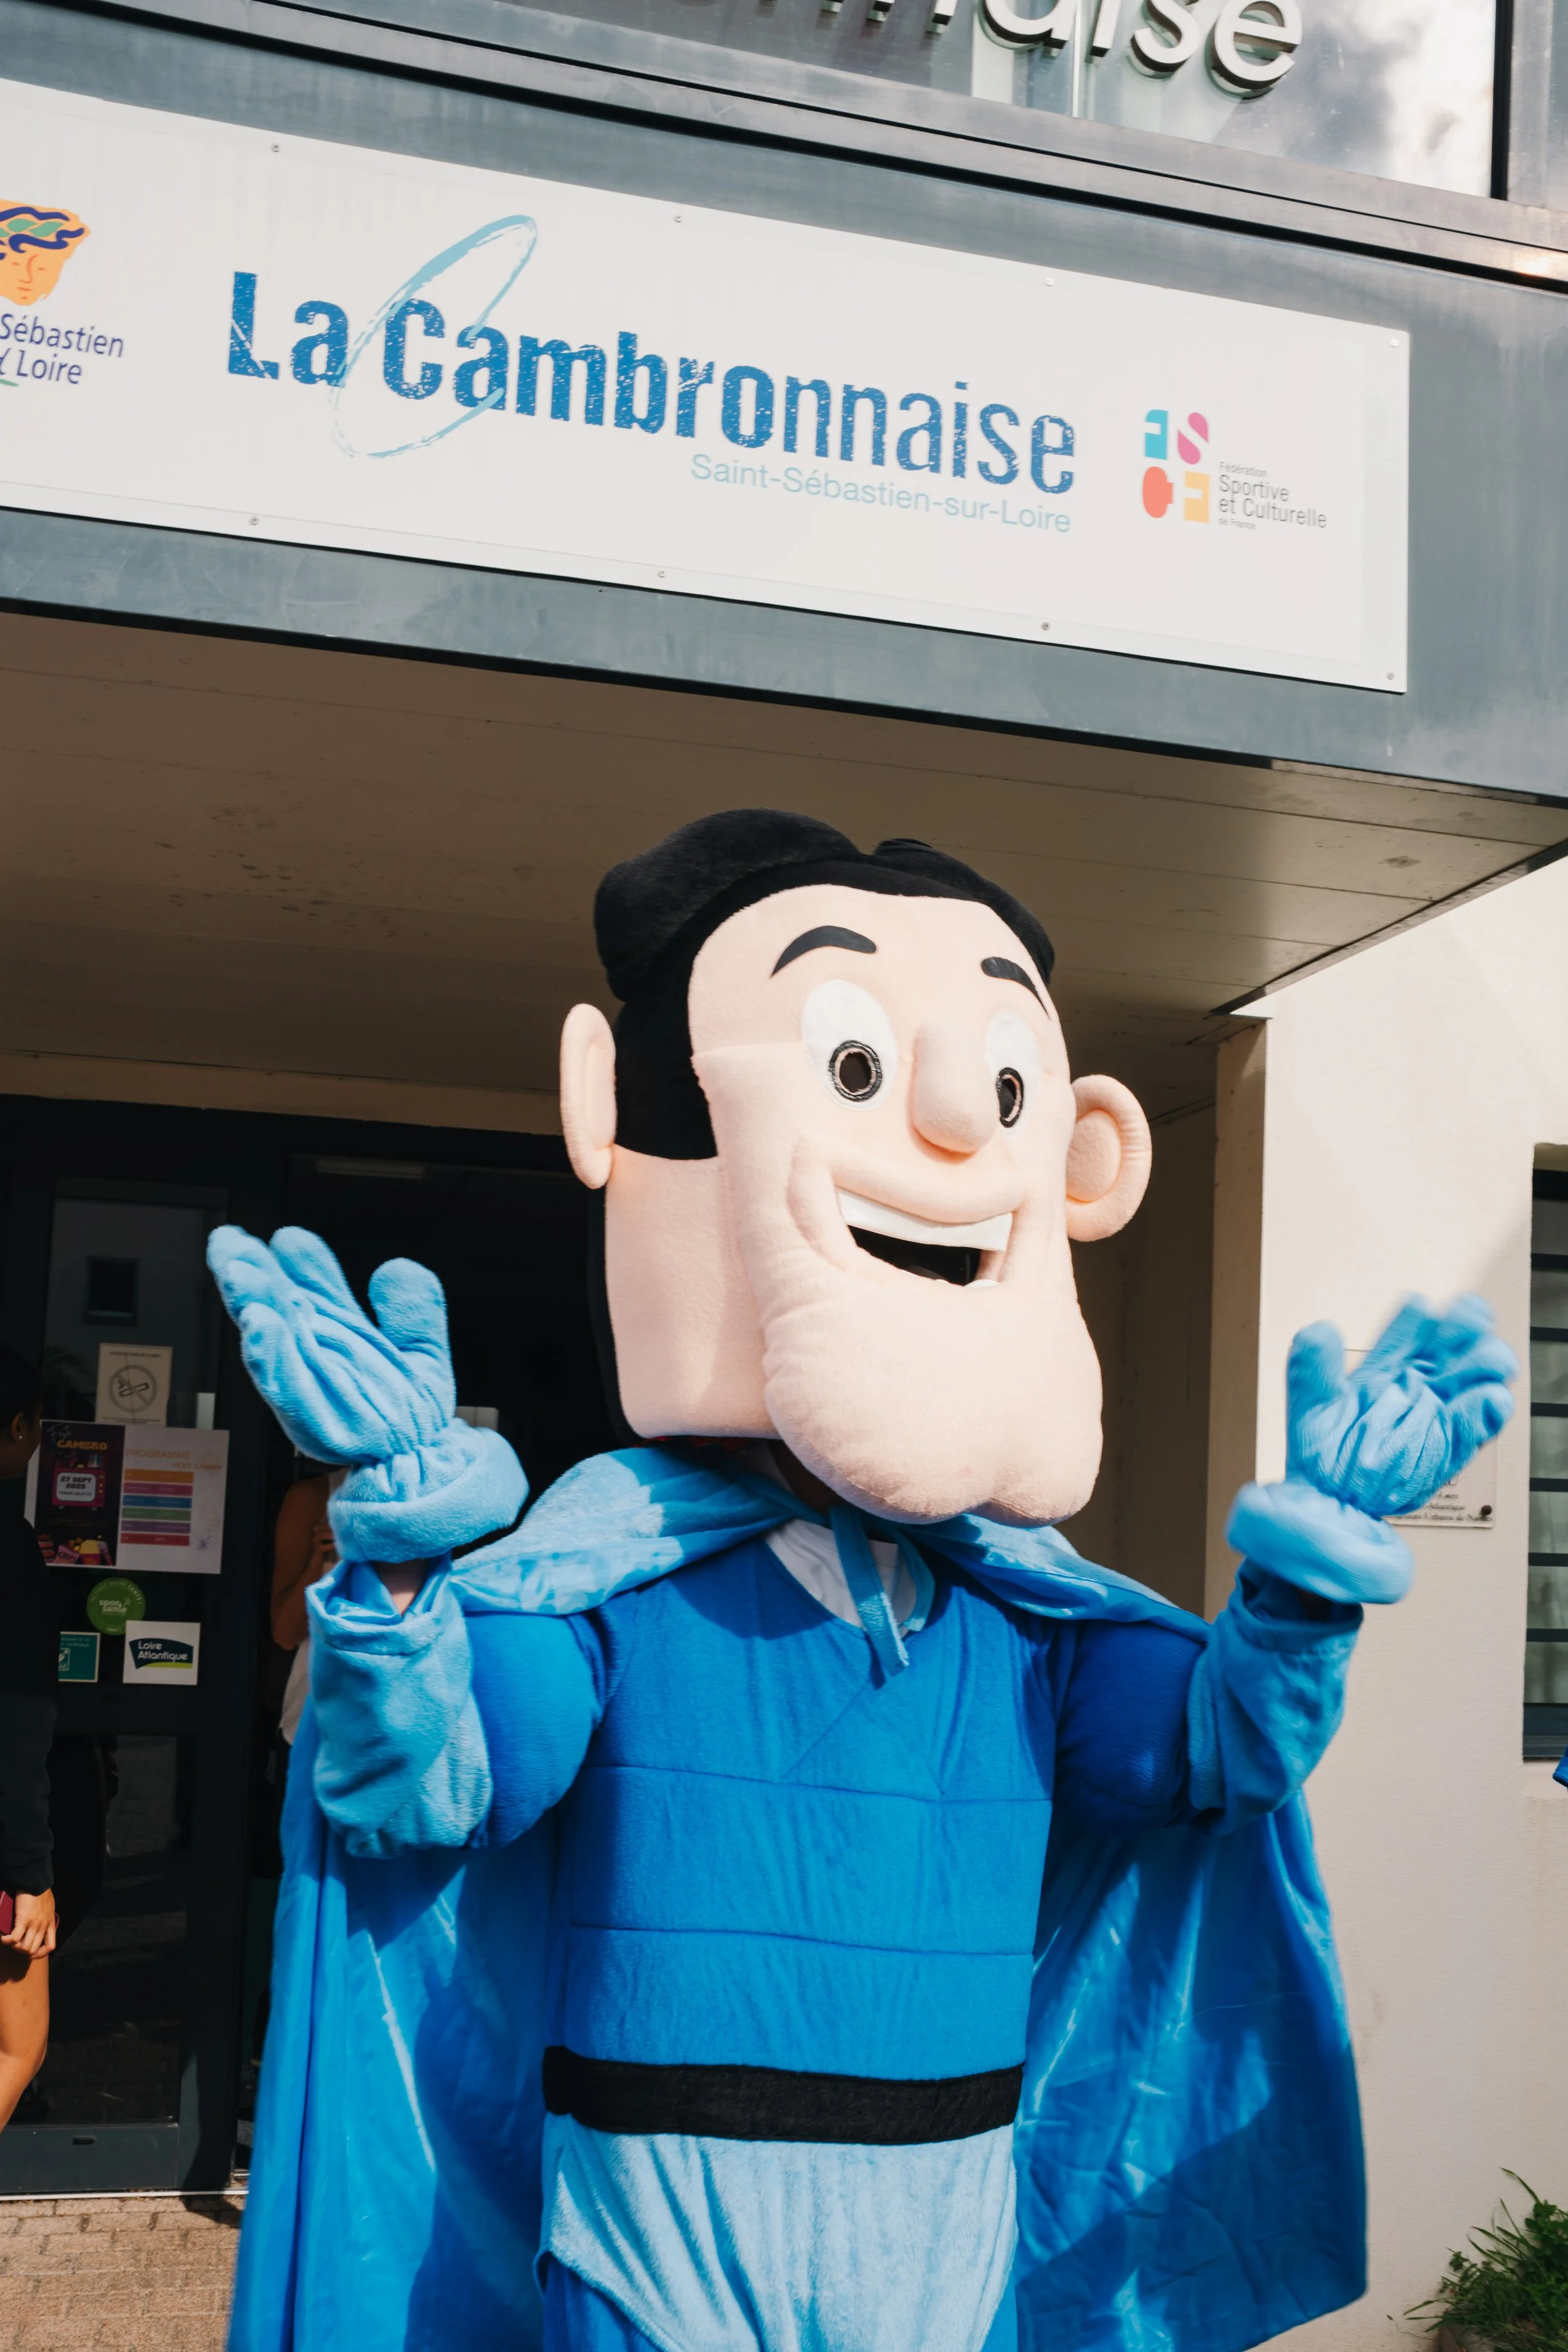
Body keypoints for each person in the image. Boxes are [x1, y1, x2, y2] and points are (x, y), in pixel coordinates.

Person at [211, 812, 1517, 2352]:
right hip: (660, 2215)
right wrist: (399, 1559)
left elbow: (1209, 1753)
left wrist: (1307, 1581)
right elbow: (435, 1786)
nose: (956, 1126)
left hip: (943, 2210)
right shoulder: (609, 1563)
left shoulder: (1029, 1607)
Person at [0, 1344, 57, 2129]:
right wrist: (31, 1876)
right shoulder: (12, 1551)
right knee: (18, 2047)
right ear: (17, 1426)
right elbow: (17, 1722)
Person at [270, 1468, 338, 1747]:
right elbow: (286, 1634)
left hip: (407, 1727)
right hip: (320, 1730)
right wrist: (321, 1560)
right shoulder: (316, 1498)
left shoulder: (437, 1499)